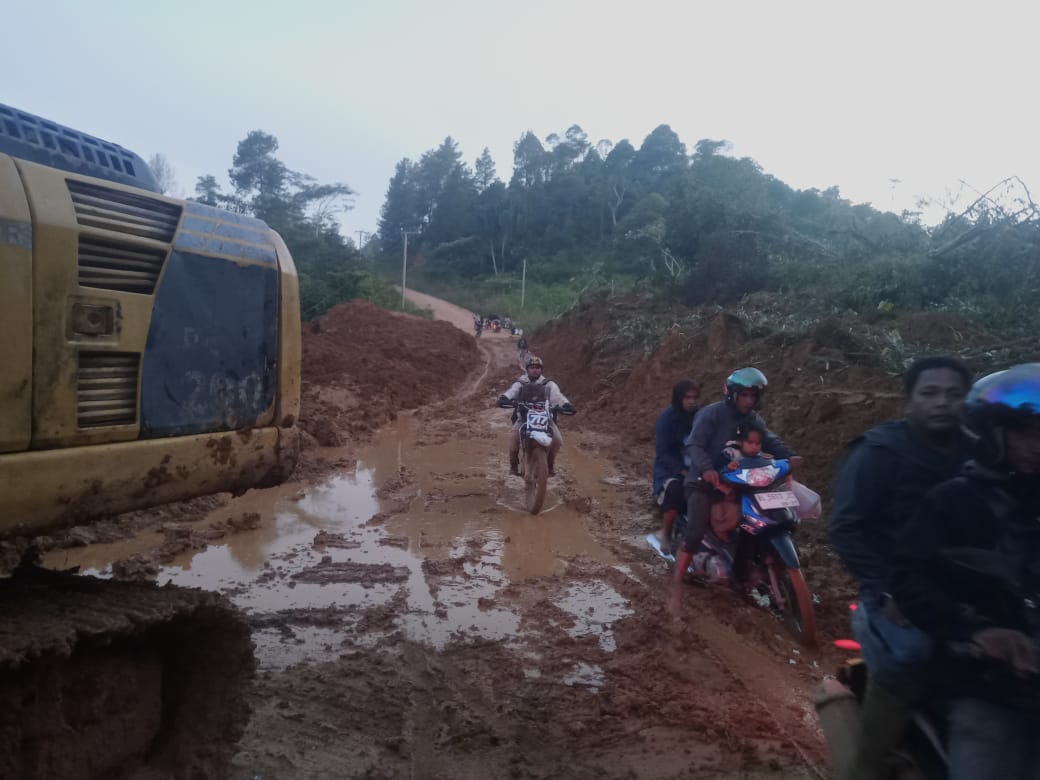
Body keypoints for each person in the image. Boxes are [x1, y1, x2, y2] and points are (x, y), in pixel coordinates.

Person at [889, 363, 1040, 779]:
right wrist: (974, 630)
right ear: (992, 434)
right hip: (988, 688)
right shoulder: (955, 502)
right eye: (1025, 432)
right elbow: (908, 577)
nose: (1037, 446)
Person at [828, 355, 972, 779]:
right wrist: (888, 588)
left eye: (953, 394)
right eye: (929, 393)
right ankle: (868, 764)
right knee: (910, 654)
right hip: (894, 593)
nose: (942, 403)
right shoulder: (880, 451)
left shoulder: (983, 451)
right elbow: (846, 527)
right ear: (908, 400)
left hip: (971, 589)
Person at [672, 368, 796, 597]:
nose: (749, 401)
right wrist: (708, 469)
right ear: (732, 393)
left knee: (763, 516)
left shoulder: (753, 420)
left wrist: (789, 456)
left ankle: (749, 563)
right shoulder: (711, 414)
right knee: (696, 530)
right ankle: (676, 583)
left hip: (740, 482)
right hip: (702, 481)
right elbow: (695, 445)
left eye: (753, 396)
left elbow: (769, 439)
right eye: (745, 395)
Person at [498, 356, 576, 477]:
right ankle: (513, 466)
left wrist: (566, 404)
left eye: (538, 368)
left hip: (546, 419)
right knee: (514, 439)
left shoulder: (549, 384)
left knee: (557, 440)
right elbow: (511, 392)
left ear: (541, 370)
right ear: (527, 369)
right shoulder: (521, 383)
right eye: (532, 368)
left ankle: (550, 465)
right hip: (524, 419)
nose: (535, 370)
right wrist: (505, 398)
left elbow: (558, 396)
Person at [650, 379, 700, 554]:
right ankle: (666, 533)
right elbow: (662, 452)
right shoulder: (667, 419)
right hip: (670, 468)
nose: (691, 401)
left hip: (698, 465)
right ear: (679, 398)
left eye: (694, 397)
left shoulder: (701, 416)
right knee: (676, 489)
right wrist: (681, 470)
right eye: (687, 397)